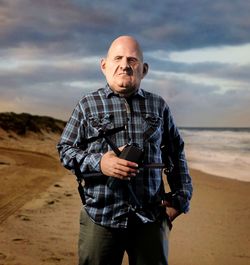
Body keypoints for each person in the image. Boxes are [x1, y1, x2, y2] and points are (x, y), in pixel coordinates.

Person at [57, 35, 193, 265]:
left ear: (144, 69)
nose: (124, 65)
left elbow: (175, 151)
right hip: (100, 217)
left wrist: (180, 199)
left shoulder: (158, 105)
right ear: (104, 65)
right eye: (117, 58)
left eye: (132, 59)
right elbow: (65, 150)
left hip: (149, 219)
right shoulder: (87, 105)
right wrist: (101, 163)